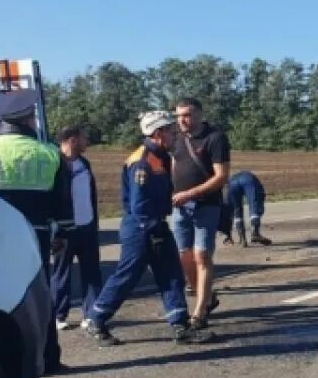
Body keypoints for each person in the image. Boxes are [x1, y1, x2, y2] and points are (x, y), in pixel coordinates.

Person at [86, 111, 212, 345]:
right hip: (142, 228)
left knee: (171, 275)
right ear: (157, 133)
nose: (175, 134)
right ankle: (96, 318)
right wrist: (151, 229)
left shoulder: (160, 156)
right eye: (170, 130)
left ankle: (180, 325)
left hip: (156, 225)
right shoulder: (142, 162)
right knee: (128, 276)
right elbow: (139, 204)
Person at [0, 89, 73, 374]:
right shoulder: (49, 152)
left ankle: (1, 359)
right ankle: (49, 358)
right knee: (38, 296)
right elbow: (62, 202)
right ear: (28, 117)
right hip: (35, 236)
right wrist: (62, 234)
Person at [171, 97, 230, 327]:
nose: (182, 120)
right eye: (178, 116)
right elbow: (173, 166)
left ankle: (199, 313)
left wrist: (191, 193)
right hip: (179, 208)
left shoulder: (215, 138)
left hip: (206, 205)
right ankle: (207, 298)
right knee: (184, 256)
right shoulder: (176, 139)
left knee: (202, 256)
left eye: (186, 114)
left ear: (200, 115)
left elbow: (221, 176)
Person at [50, 125, 103, 330]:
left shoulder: (84, 164)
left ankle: (91, 313)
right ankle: (58, 315)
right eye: (83, 138)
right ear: (72, 140)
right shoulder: (55, 164)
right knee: (61, 273)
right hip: (65, 230)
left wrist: (94, 222)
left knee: (91, 272)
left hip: (87, 227)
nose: (86, 142)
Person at [221, 170, 271, 247]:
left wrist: (228, 235)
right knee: (255, 204)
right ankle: (255, 232)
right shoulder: (253, 179)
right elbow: (258, 198)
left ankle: (242, 238)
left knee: (236, 210)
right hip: (248, 179)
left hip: (232, 182)